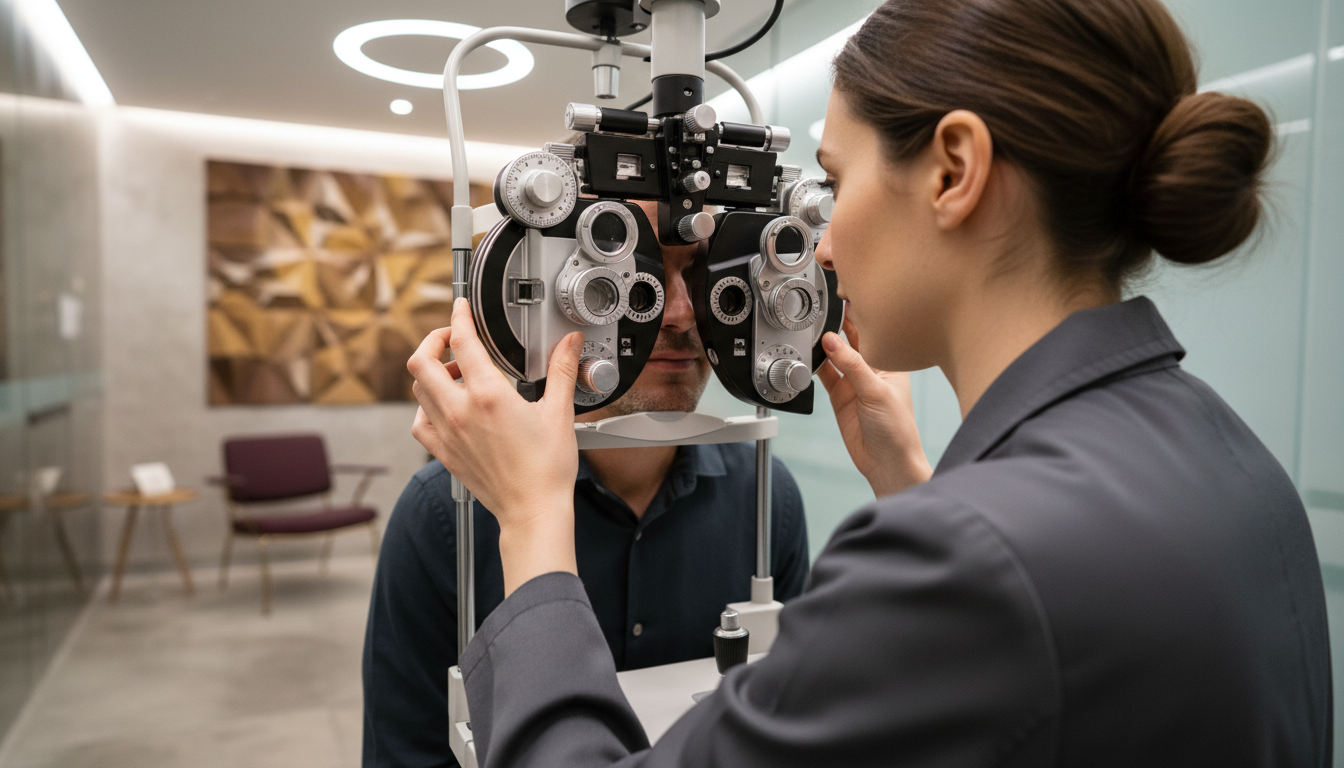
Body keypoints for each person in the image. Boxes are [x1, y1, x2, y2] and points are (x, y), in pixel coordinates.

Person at [406, 0, 1333, 764]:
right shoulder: (1231, 460)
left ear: (953, 171)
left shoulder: (959, 559)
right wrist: (926, 491)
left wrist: (530, 522)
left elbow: (1001, 598)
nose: (826, 246)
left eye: (834, 183)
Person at [362, 200, 811, 768]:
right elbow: (407, 751)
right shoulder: (444, 514)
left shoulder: (769, 499)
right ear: (549, 295)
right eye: (633, 276)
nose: (679, 313)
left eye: (700, 276)